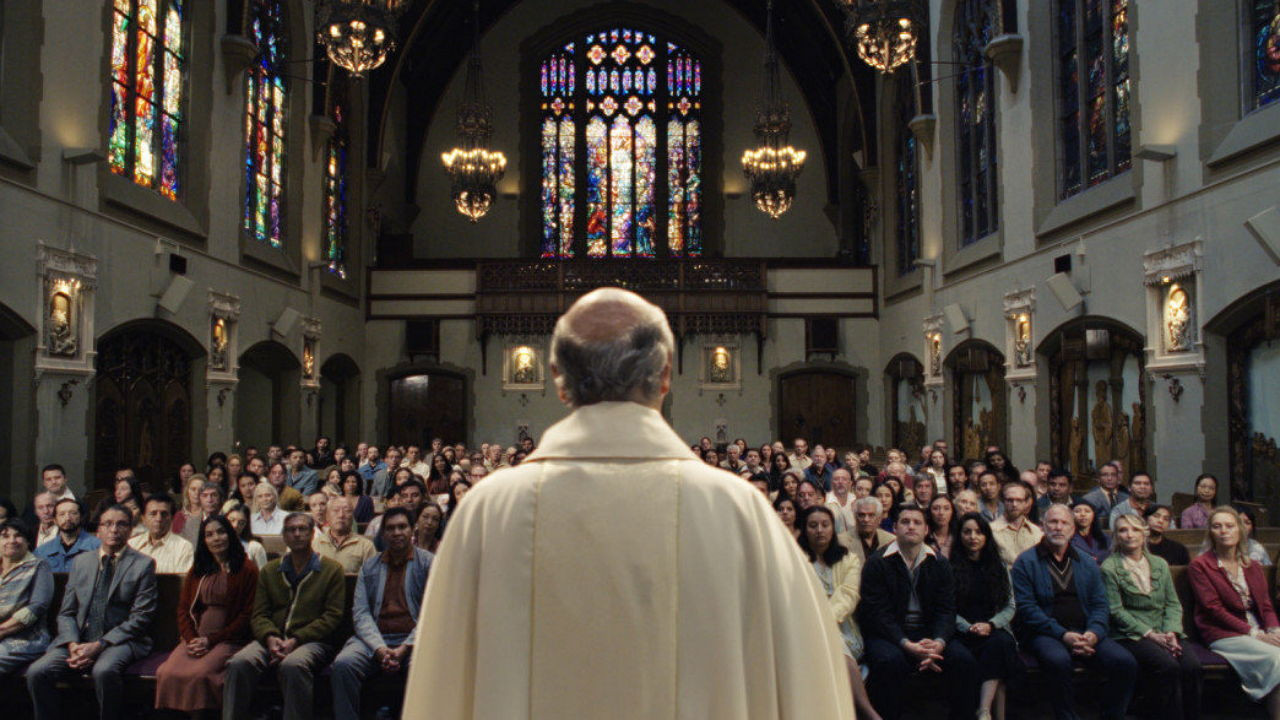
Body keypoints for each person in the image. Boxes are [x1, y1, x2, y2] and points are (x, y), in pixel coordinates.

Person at [403, 287, 854, 718]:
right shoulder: (739, 512)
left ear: (558, 380)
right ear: (666, 376)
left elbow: (440, 686)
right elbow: (808, 685)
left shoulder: (487, 512)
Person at [27, 505, 157, 720]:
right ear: (98, 530)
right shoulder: (82, 562)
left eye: (121, 524)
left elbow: (141, 617)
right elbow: (66, 612)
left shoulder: (143, 564)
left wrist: (99, 645)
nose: (113, 529)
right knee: (37, 672)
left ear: (130, 530)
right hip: (78, 640)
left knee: (104, 671)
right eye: (107, 524)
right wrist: (73, 644)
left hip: (119, 641)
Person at [1012, 503, 1137, 720]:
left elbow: (1100, 604)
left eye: (1064, 523)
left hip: (1085, 631)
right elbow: (1027, 609)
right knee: (1058, 660)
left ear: (1072, 529)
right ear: (1043, 526)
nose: (1058, 527)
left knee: (1124, 662)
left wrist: (1094, 633)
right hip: (1045, 633)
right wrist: (1063, 635)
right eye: (1053, 522)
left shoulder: (1086, 561)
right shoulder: (1026, 561)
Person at [858, 504, 980, 720]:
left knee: (964, 660)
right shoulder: (877, 563)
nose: (911, 526)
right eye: (905, 522)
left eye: (917, 522)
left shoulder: (940, 563)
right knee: (890, 662)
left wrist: (938, 643)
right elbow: (877, 614)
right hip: (889, 634)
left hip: (929, 634)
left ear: (926, 530)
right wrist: (906, 644)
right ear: (895, 528)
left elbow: (947, 610)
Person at [223, 513, 346, 720]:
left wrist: (296, 639)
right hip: (272, 639)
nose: (297, 534)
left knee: (292, 665)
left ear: (312, 534)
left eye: (302, 529)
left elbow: (332, 616)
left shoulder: (331, 570)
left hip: (312, 641)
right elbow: (259, 614)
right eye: (290, 530)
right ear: (284, 536)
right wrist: (270, 637)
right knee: (239, 662)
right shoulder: (270, 570)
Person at [331, 507, 433, 718]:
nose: (397, 533)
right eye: (390, 528)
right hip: (374, 639)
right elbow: (360, 613)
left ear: (412, 530)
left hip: (414, 640)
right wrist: (380, 648)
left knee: (424, 667)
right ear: (383, 534)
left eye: (402, 527)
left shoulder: (428, 563)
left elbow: (431, 615)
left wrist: (404, 648)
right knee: (343, 665)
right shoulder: (370, 566)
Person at [1101, 513, 1202, 720]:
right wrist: (1150, 634)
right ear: (1116, 536)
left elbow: (1172, 603)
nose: (1130, 535)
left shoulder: (1159, 564)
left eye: (1135, 529)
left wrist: (1171, 631)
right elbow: (1116, 611)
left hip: (1164, 630)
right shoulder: (1109, 567)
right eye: (1123, 530)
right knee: (1167, 666)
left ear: (1144, 533)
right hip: (1131, 634)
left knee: (1191, 666)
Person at [154, 515, 259, 714]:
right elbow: (183, 609)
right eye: (209, 535)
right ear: (203, 540)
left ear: (230, 535)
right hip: (195, 638)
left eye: (221, 532)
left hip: (229, 639)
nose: (216, 538)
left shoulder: (247, 569)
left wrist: (210, 641)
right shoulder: (199, 569)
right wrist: (191, 639)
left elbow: (247, 614)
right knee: (166, 672)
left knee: (201, 674)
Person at [1189, 506, 1280, 716]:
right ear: (1210, 532)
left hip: (1259, 630)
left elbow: (1266, 605)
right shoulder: (1200, 566)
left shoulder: (1251, 565)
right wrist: (1255, 634)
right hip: (1224, 634)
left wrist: (1275, 630)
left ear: (1240, 529)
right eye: (1217, 526)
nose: (1223, 531)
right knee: (1278, 659)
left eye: (1229, 526)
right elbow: (1213, 610)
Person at [798, 506, 881, 720]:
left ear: (833, 529)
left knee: (832, 638)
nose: (819, 530)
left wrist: (824, 621)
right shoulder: (795, 559)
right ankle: (868, 712)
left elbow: (848, 595)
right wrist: (815, 623)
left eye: (825, 525)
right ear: (804, 529)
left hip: (843, 626)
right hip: (803, 625)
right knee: (830, 641)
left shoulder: (849, 559)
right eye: (813, 525)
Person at [951, 513, 1023, 720]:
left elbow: (1010, 606)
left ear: (986, 536)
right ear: (960, 535)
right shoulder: (948, 567)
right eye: (967, 532)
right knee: (965, 658)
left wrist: (991, 625)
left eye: (979, 532)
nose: (973, 537)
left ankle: (983, 710)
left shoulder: (999, 567)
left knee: (1000, 644)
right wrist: (968, 627)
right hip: (961, 631)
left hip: (992, 627)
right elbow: (946, 608)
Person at [0, 518, 53, 676]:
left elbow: (37, 606)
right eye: (5, 536)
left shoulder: (39, 566)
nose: (12, 540)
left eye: (18, 536)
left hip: (25, 638)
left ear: (28, 541)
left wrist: (2, 630)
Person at [128, 494, 194, 574]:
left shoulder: (183, 547)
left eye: (164, 514)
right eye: (153, 514)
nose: (159, 519)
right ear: (143, 518)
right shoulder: (132, 545)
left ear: (172, 518)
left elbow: (182, 580)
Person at [312, 496, 376, 573]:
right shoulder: (315, 545)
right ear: (327, 516)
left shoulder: (366, 546)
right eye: (336, 511)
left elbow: (373, 577)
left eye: (347, 511)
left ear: (352, 517)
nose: (341, 515)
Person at [34, 498, 99, 572]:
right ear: (55, 520)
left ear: (81, 517)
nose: (68, 518)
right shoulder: (42, 552)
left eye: (73, 513)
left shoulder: (97, 547)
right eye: (62, 514)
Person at [990, 480, 1044, 567]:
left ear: (1026, 503)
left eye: (1019, 500)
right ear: (1003, 501)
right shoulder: (991, 531)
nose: (1014, 504)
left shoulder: (1036, 532)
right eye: (1010, 500)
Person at [224, 503, 268, 570]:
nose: (235, 525)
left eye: (241, 523)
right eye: (232, 520)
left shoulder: (254, 547)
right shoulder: (217, 545)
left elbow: (263, 574)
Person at [850, 496, 895, 561]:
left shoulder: (891, 541)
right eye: (861, 515)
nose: (866, 519)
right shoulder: (842, 542)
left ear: (879, 518)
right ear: (855, 518)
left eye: (871, 515)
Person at [180, 481, 225, 546]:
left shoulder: (231, 520)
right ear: (200, 499)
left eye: (214, 495)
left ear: (221, 498)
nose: (209, 500)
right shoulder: (189, 524)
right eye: (205, 496)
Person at [1070, 499, 1109, 565]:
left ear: (1093, 515)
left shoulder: (1106, 538)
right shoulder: (1068, 538)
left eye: (1087, 511)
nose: (1083, 514)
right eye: (1077, 511)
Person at [826, 468, 856, 533]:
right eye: (836, 479)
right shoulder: (824, 501)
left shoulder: (856, 500)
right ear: (831, 483)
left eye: (844, 479)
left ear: (850, 483)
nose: (840, 482)